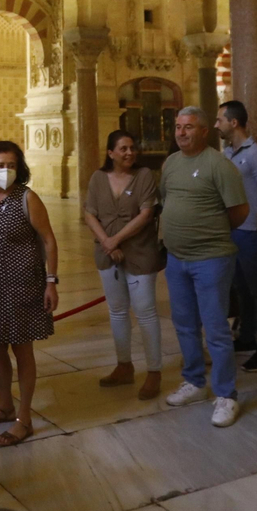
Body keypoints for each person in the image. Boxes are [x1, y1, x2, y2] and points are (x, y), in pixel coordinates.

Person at [159, 107, 250, 427]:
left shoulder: (218, 165)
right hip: (176, 259)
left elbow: (239, 211)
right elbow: (166, 200)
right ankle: (195, 382)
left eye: (189, 127)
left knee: (215, 329)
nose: (181, 133)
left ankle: (225, 394)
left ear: (204, 131)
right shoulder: (170, 163)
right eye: (178, 127)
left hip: (211, 259)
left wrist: (209, 232)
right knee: (184, 324)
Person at [0, 141, 60, 447]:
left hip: (21, 285)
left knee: (22, 350)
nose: (5, 171)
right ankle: (4, 405)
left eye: (10, 165)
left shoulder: (27, 198)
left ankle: (24, 418)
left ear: (19, 168)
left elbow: (48, 240)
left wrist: (51, 282)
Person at [82, 130, 162, 400]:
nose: (130, 152)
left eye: (132, 148)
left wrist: (115, 239)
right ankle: (124, 365)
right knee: (117, 311)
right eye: (123, 148)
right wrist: (107, 243)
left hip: (140, 253)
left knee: (145, 312)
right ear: (111, 153)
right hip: (107, 255)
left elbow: (146, 214)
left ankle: (154, 371)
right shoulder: (97, 178)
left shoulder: (144, 177)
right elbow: (90, 213)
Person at [216, 101, 257, 372]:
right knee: (241, 288)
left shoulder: (255, 154)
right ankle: (247, 336)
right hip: (232, 230)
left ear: (234, 123)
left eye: (220, 120)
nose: (217, 124)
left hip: (251, 229)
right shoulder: (227, 153)